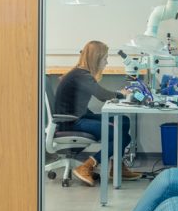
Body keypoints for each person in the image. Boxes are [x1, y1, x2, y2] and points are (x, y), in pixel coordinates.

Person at [54, 40, 142, 186]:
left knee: (123, 121)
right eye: (105, 59)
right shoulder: (82, 75)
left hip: (79, 116)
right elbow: (102, 95)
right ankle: (86, 166)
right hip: (71, 122)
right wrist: (122, 94)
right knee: (119, 134)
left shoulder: (80, 73)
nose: (106, 62)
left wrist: (119, 94)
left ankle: (117, 168)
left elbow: (101, 94)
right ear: (96, 59)